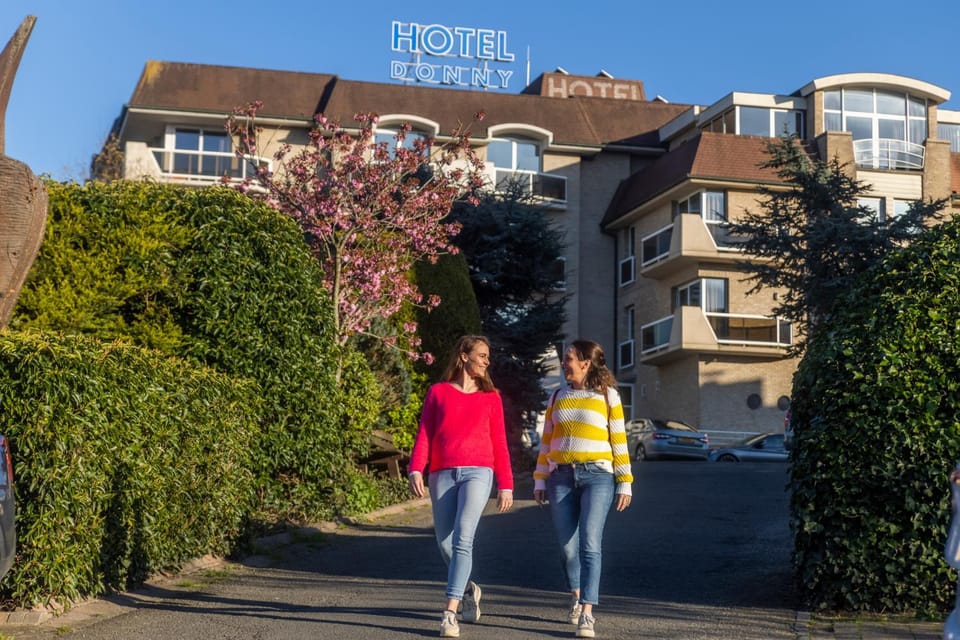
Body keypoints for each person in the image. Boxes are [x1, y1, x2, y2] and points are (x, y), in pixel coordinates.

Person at [409, 335, 514, 638]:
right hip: (441, 473)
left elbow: (500, 444)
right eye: (482, 355)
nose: (487, 360)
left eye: (488, 356)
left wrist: (505, 485)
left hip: (479, 473)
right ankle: (468, 590)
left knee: (463, 539)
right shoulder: (438, 393)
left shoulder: (491, 397)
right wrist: (416, 468)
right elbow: (425, 434)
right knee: (444, 542)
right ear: (464, 356)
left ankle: (449, 613)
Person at [533, 339, 633, 639]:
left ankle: (588, 612)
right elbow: (547, 442)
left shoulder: (608, 396)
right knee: (567, 549)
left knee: (590, 543)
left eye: (569, 358)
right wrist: (539, 479)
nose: (565, 363)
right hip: (561, 477)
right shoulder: (557, 397)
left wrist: (624, 481)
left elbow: (619, 440)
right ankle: (576, 595)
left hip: (598, 477)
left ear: (585, 363)